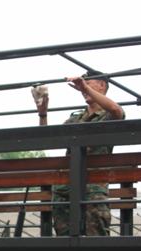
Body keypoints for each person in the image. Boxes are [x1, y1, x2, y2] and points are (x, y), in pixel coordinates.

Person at [34, 70, 124, 236]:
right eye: (83, 85)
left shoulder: (108, 115)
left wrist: (84, 87)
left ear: (102, 85)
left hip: (93, 189)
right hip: (64, 190)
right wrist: (42, 112)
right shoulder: (76, 119)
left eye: (88, 83)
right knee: (65, 241)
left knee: (96, 240)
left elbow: (116, 110)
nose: (83, 89)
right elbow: (48, 141)